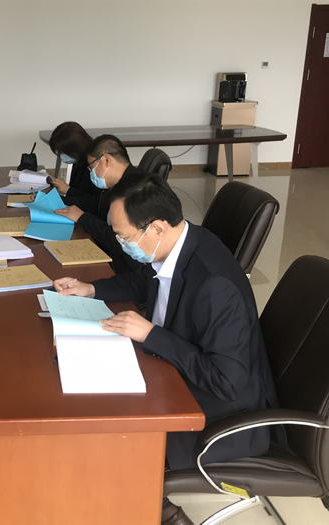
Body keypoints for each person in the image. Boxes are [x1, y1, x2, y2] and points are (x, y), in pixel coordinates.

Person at [53, 173, 279, 525]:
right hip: (173, 375)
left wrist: (152, 335)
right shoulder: (176, 245)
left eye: (124, 237)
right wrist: (92, 289)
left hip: (221, 416)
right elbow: (144, 280)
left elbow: (228, 382)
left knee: (106, 431)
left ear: (157, 227)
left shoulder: (214, 285)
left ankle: (164, 515)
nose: (120, 244)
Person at [55, 134, 148, 275]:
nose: (92, 173)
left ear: (106, 160)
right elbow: (93, 203)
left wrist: (83, 218)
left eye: (92, 168)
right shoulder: (116, 185)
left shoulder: (138, 191)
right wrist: (54, 200)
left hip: (125, 269)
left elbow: (119, 243)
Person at [47, 121, 99, 197]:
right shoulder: (79, 159)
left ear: (76, 147)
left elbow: (94, 200)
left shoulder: (96, 164)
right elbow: (75, 191)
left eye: (64, 153)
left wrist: (68, 190)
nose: (62, 156)